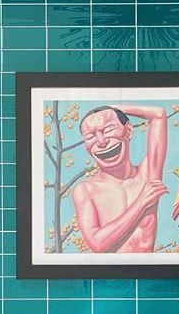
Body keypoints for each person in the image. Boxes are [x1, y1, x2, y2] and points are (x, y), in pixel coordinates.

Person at [72, 104, 168, 253]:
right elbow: (97, 244)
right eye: (90, 136)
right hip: (109, 274)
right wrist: (141, 203)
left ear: (128, 130)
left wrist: (112, 107)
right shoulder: (85, 190)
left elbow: (159, 115)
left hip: (147, 271)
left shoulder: (148, 175)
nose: (101, 141)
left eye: (108, 129)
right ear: (86, 147)